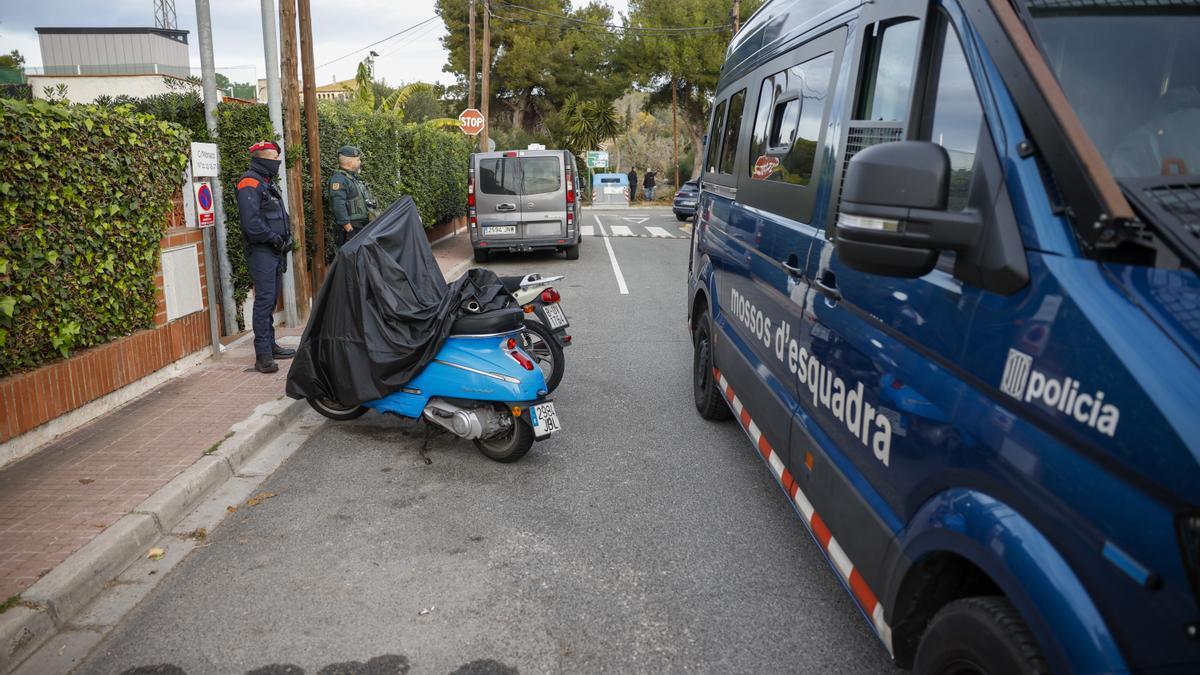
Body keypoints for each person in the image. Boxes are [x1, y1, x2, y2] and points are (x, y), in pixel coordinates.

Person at [236, 140, 295, 374]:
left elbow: (277, 215)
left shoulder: (266, 183)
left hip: (274, 250)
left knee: (270, 301)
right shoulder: (249, 182)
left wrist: (286, 238)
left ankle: (270, 346)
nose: (276, 163)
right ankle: (263, 356)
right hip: (262, 251)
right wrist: (274, 238)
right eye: (273, 159)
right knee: (264, 301)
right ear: (261, 159)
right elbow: (252, 224)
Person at [327, 145, 378, 246]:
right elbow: (338, 206)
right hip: (351, 229)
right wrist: (349, 230)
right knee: (352, 260)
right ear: (350, 162)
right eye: (358, 160)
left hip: (362, 227)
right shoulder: (339, 180)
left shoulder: (352, 178)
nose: (360, 162)